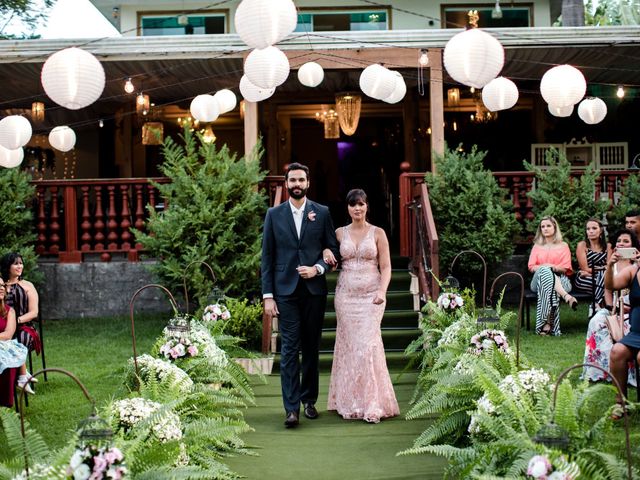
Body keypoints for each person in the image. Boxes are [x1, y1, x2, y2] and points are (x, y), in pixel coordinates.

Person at [261, 163, 339, 428]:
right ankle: (291, 408)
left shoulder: (323, 212)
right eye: (292, 180)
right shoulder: (274, 214)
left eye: (301, 180)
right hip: (285, 292)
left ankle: (309, 401)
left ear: (308, 183)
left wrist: (318, 268)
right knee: (290, 350)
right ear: (286, 183)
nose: (297, 184)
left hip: (314, 292)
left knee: (311, 349)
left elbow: (332, 250)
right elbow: (267, 257)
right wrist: (268, 296)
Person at [324, 189, 399, 423]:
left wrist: (382, 291)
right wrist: (326, 251)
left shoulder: (378, 233)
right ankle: (350, 400)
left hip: (371, 297)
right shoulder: (338, 233)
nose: (357, 209)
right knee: (350, 346)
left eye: (361, 204)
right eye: (353, 205)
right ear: (347, 208)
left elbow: (386, 267)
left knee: (368, 346)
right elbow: (327, 252)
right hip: (345, 297)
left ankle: (373, 402)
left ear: (367, 206)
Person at [582, 229, 639, 384]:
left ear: (634, 246)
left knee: (626, 326)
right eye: (619, 241)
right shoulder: (613, 266)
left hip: (631, 309)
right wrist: (609, 307)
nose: (622, 244)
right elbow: (609, 288)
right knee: (597, 321)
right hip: (614, 307)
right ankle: (599, 370)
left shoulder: (636, 266)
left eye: (626, 241)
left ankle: (630, 376)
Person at [605, 233, 640, 417]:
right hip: (636, 333)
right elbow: (611, 285)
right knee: (617, 351)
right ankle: (621, 403)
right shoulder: (633, 270)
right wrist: (610, 266)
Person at [528, 216, 576, 336]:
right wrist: (546, 267)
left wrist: (552, 267)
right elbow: (531, 267)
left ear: (555, 227)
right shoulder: (537, 246)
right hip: (538, 282)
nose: (545, 228)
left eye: (548, 226)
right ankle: (566, 297)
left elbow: (566, 268)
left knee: (549, 284)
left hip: (562, 280)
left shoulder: (563, 245)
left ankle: (546, 324)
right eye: (543, 226)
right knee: (545, 271)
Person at [0, 252, 40, 395]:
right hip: (4, 328)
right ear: (7, 266)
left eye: (21, 263)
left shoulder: (27, 285)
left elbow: (34, 312)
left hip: (25, 327)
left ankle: (21, 377)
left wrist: (16, 321)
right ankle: (21, 375)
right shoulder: (1, 286)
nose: (20, 266)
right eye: (16, 263)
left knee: (20, 339)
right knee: (6, 339)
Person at [0, 278, 27, 408]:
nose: (1, 288)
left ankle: (4, 405)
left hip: (4, 346)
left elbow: (8, 334)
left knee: (6, 363)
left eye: (2, 285)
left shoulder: (9, 311)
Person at [574, 218, 610, 310]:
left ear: (601, 230)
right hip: (584, 279)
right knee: (607, 283)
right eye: (588, 229)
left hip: (599, 278)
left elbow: (610, 267)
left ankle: (595, 305)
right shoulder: (582, 245)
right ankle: (599, 304)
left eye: (594, 228)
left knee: (605, 278)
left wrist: (593, 271)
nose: (591, 231)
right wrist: (602, 269)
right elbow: (584, 269)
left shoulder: (608, 246)